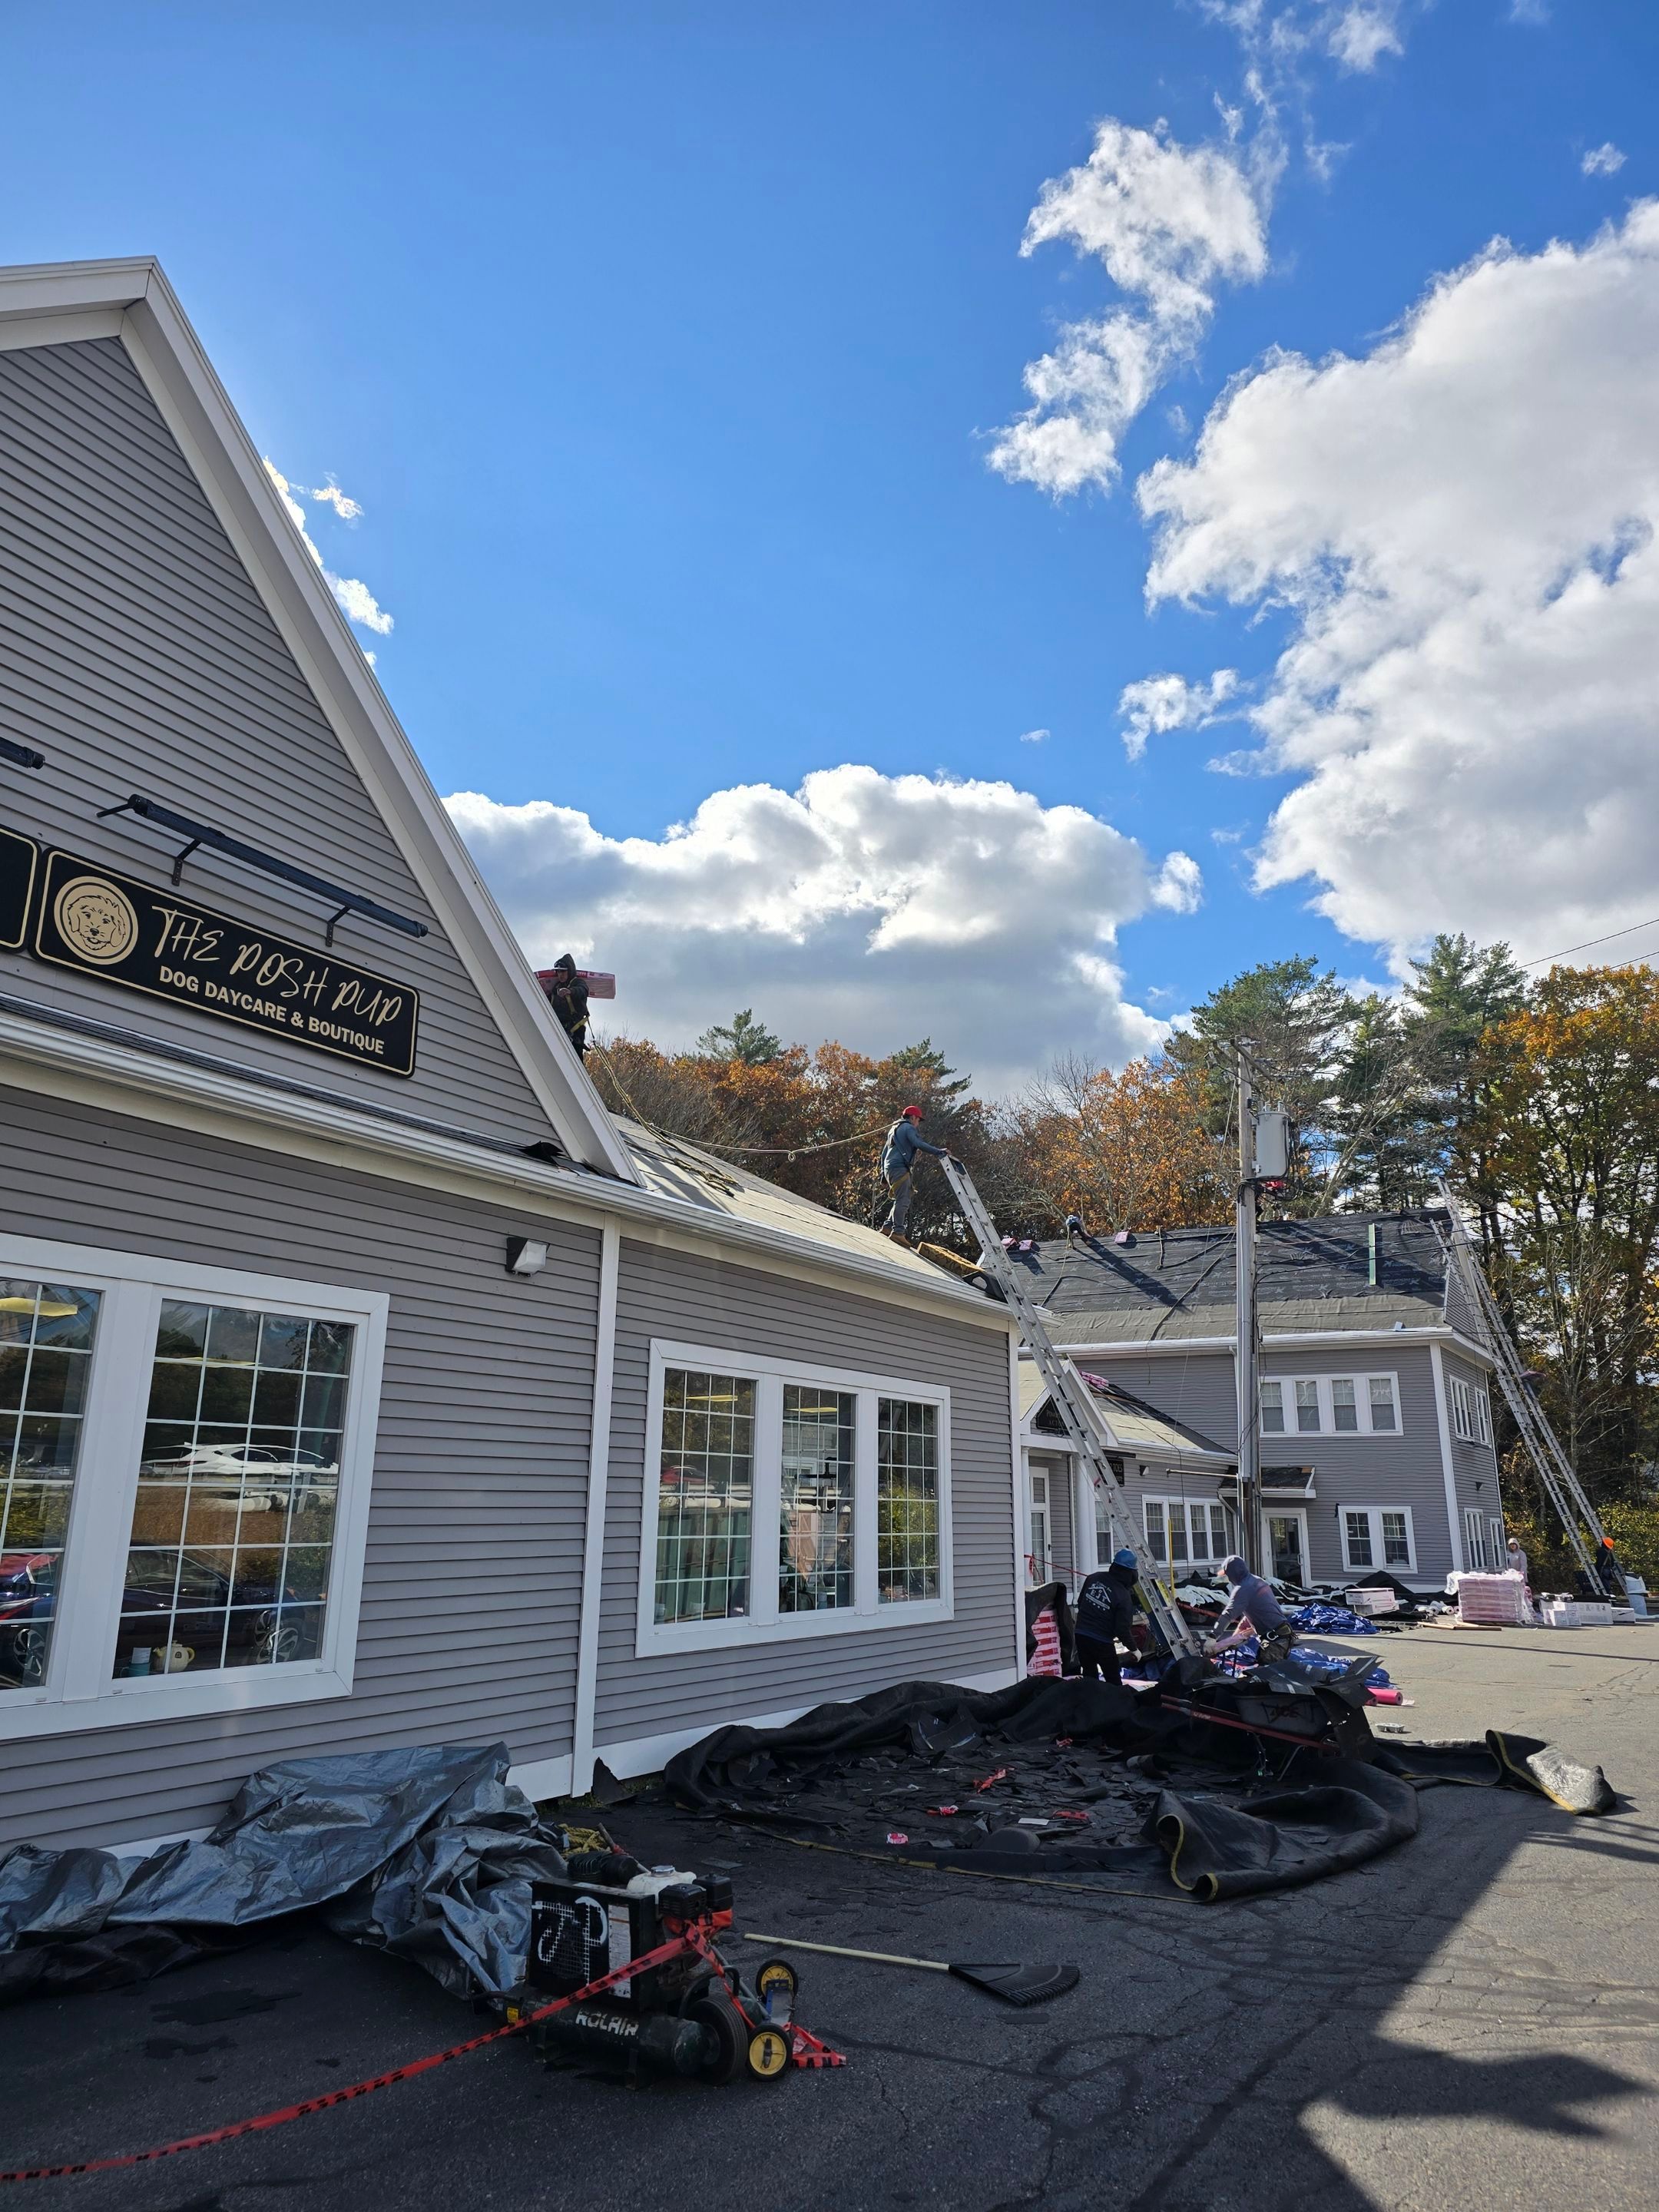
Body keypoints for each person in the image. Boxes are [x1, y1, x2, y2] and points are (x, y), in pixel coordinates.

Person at [1204, 1554, 1295, 1666]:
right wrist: (1235, 1637)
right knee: (1271, 1672)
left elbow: (1228, 1614)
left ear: (1233, 1574)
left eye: (1228, 1575)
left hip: (1276, 1640)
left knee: (1266, 1676)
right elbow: (1256, 1612)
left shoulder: (1243, 1589)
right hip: (1282, 1635)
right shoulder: (1257, 1581)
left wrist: (1213, 1637)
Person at [878, 1106, 952, 1242]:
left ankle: (888, 1226)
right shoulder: (909, 1128)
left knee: (899, 1198)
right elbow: (918, 1143)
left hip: (890, 1169)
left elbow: (883, 1154)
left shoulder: (893, 1129)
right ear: (912, 1118)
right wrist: (939, 1151)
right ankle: (898, 1232)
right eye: (918, 1120)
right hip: (900, 1168)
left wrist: (883, 1175)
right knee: (903, 1200)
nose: (918, 1124)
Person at [1075, 1549, 1140, 1684]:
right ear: (1131, 1573)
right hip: (1101, 1640)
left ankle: (1090, 1702)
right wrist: (1134, 1649)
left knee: (1089, 1676)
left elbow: (1081, 1603)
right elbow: (1122, 1629)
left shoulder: (1093, 1578)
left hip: (1081, 1635)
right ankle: (1115, 1704)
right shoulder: (1123, 1596)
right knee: (1113, 1680)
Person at [545, 954, 589, 1058]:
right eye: (559, 972)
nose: (561, 975)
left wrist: (570, 991)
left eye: (563, 971)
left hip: (574, 1031)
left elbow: (583, 991)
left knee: (575, 1062)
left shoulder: (578, 983)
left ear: (570, 971)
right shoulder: (556, 988)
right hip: (556, 1028)